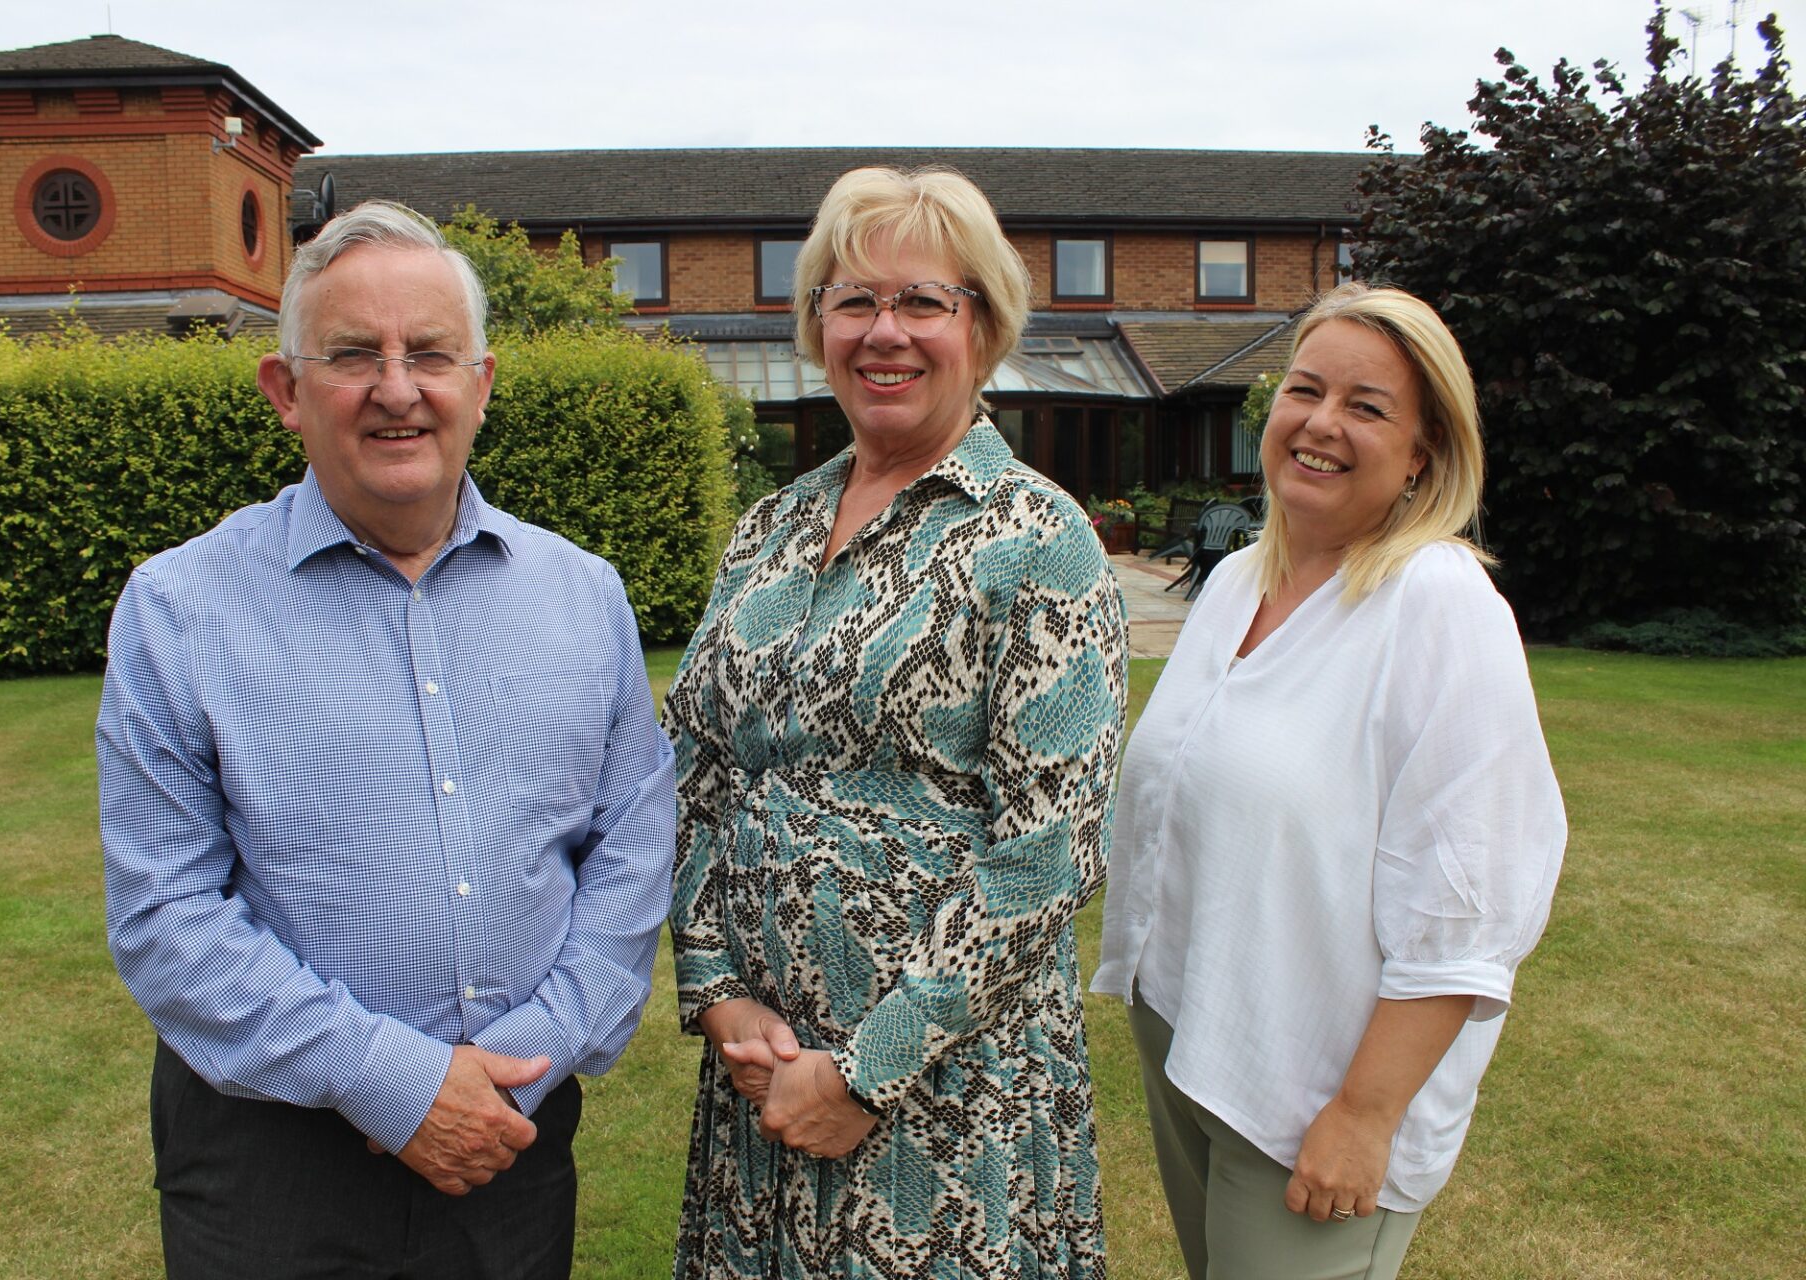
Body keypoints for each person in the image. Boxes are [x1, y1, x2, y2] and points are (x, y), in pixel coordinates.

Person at [97, 200, 675, 1280]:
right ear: (287, 391)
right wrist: (393, 1079)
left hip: (514, 1145)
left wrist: (514, 1068)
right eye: (354, 354)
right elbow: (165, 914)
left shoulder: (584, 597)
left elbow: (632, 854)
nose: (398, 388)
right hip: (273, 1160)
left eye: (431, 355)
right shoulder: (179, 607)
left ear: (483, 385)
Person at [665, 165, 1128, 1279]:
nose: (886, 331)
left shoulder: (1036, 540)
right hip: (762, 1084)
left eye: (924, 301)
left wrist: (866, 1071)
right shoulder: (768, 529)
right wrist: (716, 986)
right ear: (815, 322)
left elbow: (1043, 852)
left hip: (943, 1099)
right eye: (854, 299)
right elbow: (693, 766)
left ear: (985, 326)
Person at [1092, 282, 1567, 1280]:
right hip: (1195, 1036)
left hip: (1315, 1090)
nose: (1320, 423)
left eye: (1367, 405)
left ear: (1423, 451)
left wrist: (1366, 1112)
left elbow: (1474, 896)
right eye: (1306, 390)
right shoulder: (1235, 584)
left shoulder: (1438, 603)